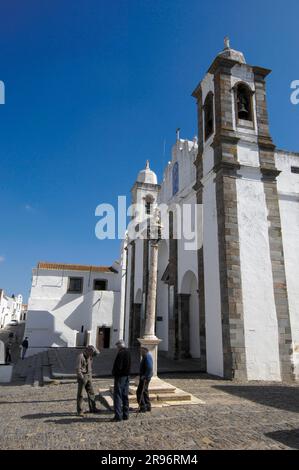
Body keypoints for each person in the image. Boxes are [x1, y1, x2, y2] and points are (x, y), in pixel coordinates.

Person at [76, 345, 99, 417]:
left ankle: (93, 408)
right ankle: (79, 411)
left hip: (89, 375)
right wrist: (82, 377)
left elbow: (97, 353)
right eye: (91, 352)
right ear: (88, 351)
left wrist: (94, 350)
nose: (92, 354)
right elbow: (78, 369)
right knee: (80, 395)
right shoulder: (81, 356)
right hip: (83, 376)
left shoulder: (90, 355)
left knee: (91, 392)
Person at [111, 340, 131, 422]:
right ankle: (126, 414)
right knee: (125, 395)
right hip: (127, 376)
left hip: (120, 377)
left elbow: (118, 366)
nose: (117, 348)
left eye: (117, 346)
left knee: (118, 396)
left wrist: (114, 373)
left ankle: (118, 416)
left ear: (119, 346)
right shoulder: (128, 353)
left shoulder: (121, 353)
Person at [136, 347, 153, 413]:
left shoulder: (146, 356)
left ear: (144, 350)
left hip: (145, 378)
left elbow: (149, 367)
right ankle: (148, 406)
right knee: (145, 391)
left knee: (139, 392)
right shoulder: (147, 355)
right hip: (146, 377)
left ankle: (143, 407)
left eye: (141, 351)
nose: (140, 352)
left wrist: (144, 376)